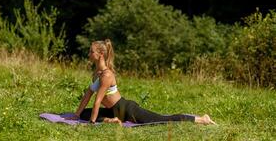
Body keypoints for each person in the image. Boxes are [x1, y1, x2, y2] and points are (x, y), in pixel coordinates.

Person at [65, 39, 216, 125]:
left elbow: (97, 101)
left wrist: (92, 124)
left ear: (101, 54)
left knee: (162, 120)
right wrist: (76, 115)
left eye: (91, 51)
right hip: (113, 111)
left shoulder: (106, 75)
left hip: (126, 109)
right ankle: (112, 120)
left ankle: (202, 119)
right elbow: (88, 94)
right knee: (84, 113)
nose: (89, 54)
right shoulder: (96, 73)